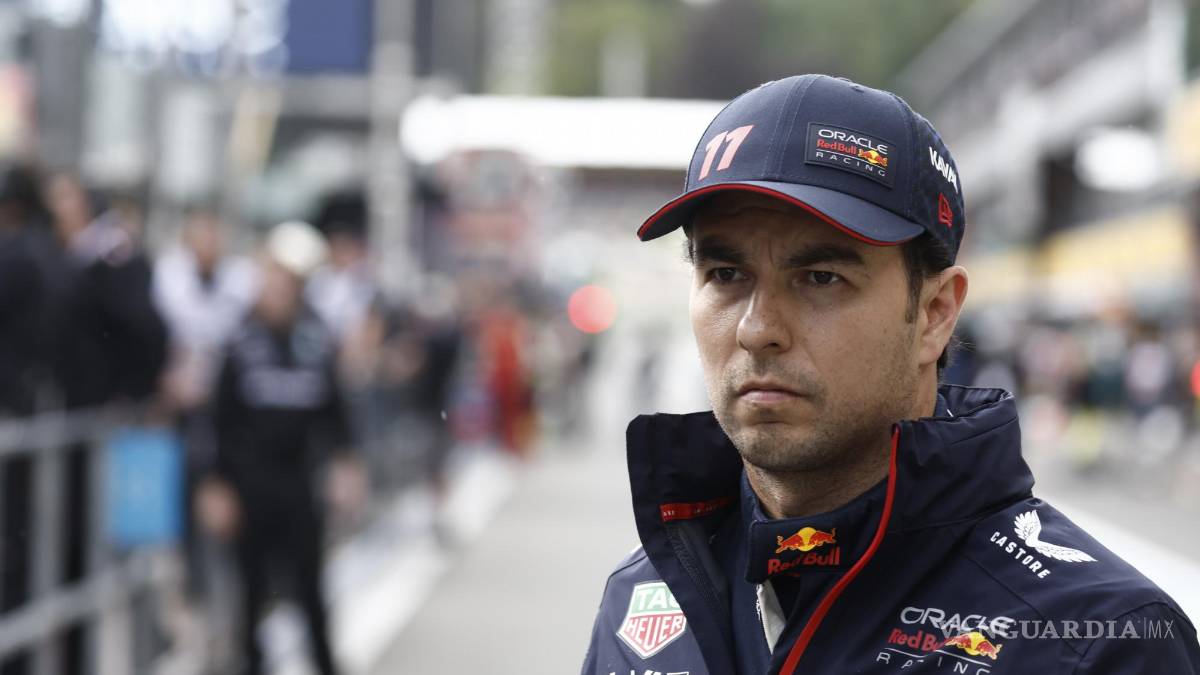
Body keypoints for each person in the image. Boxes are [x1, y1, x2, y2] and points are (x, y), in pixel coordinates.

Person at [581, 75, 1199, 675]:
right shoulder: (643, 595)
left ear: (935, 314)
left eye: (820, 278)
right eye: (724, 275)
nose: (757, 328)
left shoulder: (1097, 642)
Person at [205, 221, 363, 675]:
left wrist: (346, 465)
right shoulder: (239, 340)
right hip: (249, 482)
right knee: (250, 591)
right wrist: (216, 484)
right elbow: (219, 420)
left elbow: (336, 412)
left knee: (310, 586)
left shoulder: (316, 338)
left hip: (300, 481)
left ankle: (325, 663)